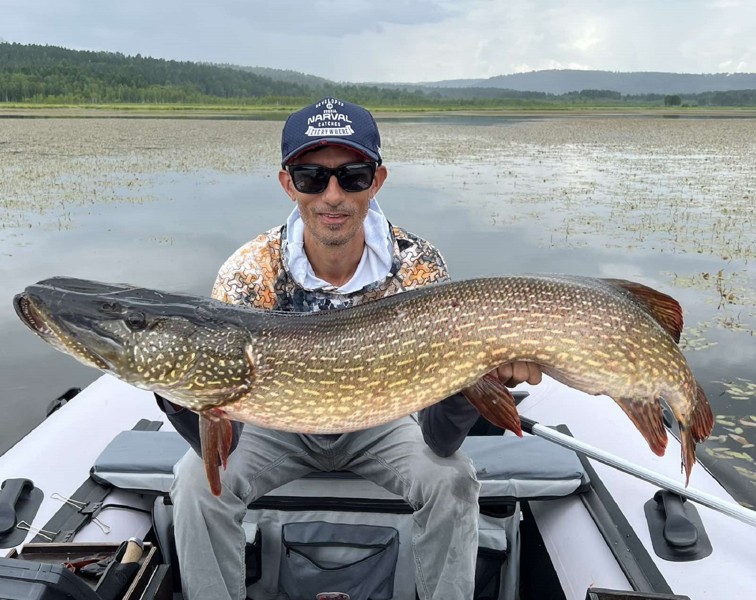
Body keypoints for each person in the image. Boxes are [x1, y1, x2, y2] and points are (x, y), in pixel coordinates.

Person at [158, 97, 542, 600]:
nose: (332, 196)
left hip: (384, 421)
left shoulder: (417, 267)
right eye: (313, 177)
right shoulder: (249, 271)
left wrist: (479, 376)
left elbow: (442, 438)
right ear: (287, 183)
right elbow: (222, 426)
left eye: (352, 176)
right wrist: (174, 387)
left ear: (376, 181)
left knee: (452, 480)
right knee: (193, 482)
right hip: (276, 425)